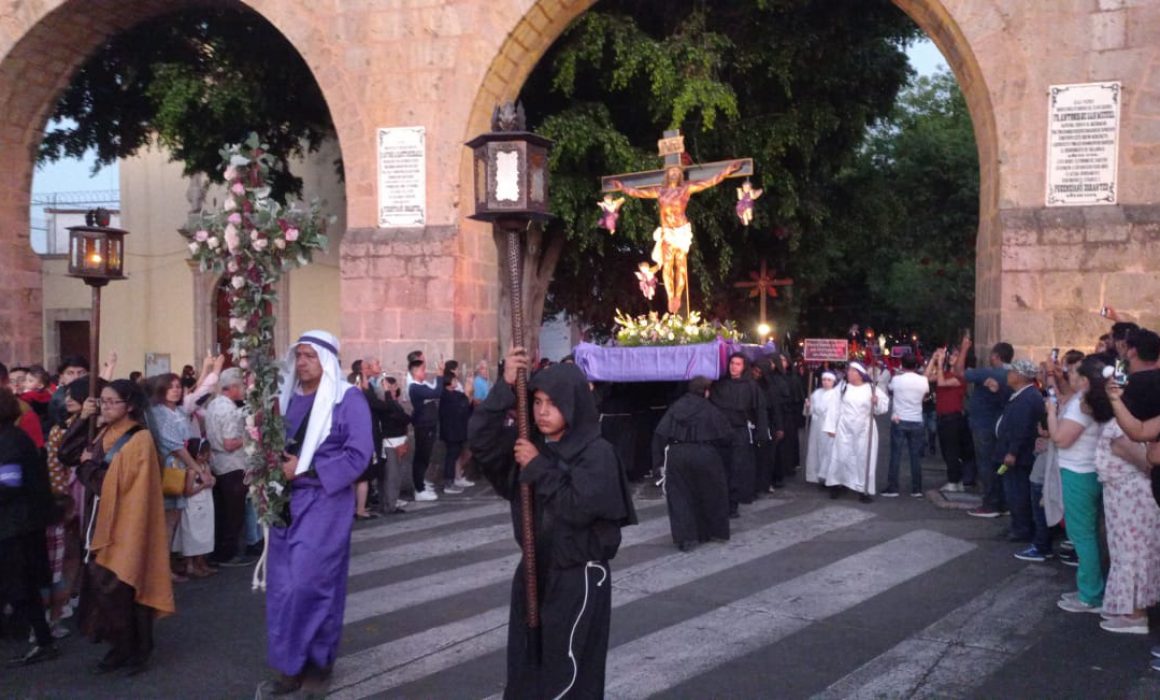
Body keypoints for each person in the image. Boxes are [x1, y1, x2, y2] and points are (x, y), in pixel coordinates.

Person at [468, 346, 636, 699]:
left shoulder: (597, 454)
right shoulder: (530, 447)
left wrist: (538, 469)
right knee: (527, 669)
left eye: (553, 403)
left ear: (573, 404)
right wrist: (505, 386)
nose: (542, 411)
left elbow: (578, 508)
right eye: (538, 402)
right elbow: (482, 442)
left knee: (566, 674)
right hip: (532, 571)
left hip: (577, 574)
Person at [265, 331, 373, 695]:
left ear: (326, 360)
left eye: (310, 356)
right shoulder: (287, 400)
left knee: (311, 582)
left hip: (325, 501)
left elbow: (359, 455)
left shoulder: (348, 400)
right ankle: (289, 664)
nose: (303, 363)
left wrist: (307, 471)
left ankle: (318, 661)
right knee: (283, 585)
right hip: (286, 502)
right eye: (299, 356)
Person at [76, 379, 175, 674]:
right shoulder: (102, 431)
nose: (104, 407)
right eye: (102, 401)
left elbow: (112, 484)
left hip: (128, 524)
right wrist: (82, 420)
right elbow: (68, 454)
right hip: (100, 522)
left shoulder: (140, 440)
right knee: (106, 590)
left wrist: (87, 467)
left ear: (129, 405)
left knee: (129, 583)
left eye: (111, 402)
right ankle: (119, 646)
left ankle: (139, 650)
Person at [610, 160, 742, 314]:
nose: (673, 173)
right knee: (667, 266)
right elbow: (639, 192)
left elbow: (709, 182)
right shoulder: (659, 191)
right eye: (670, 171)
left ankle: (677, 296)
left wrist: (726, 171)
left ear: (680, 174)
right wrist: (622, 187)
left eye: (676, 171)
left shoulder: (686, 188)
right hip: (667, 232)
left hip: (681, 231)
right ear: (667, 174)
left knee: (680, 265)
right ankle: (670, 295)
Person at [0, 387, 61, 667]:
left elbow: (9, 485)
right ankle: (41, 638)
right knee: (21, 584)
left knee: (21, 585)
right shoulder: (11, 437)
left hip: (16, 524)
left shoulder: (9, 441)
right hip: (19, 522)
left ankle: (42, 639)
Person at [1096, 375, 1160, 635]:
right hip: (1125, 498)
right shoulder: (1128, 423)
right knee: (1127, 552)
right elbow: (1141, 434)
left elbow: (1148, 459)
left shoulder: (1120, 429)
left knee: (1132, 553)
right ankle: (1129, 608)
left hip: (1132, 499)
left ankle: (1135, 612)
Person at [1047, 357, 1106, 614]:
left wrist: (1050, 413)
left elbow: (1061, 439)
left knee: (1082, 535)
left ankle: (1090, 594)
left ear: (1084, 380)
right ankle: (1091, 589)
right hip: (1088, 471)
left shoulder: (1083, 406)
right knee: (1088, 533)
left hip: (1077, 472)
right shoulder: (1091, 402)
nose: (1068, 374)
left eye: (1073, 372)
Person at [653, 376, 733, 550]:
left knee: (680, 496)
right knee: (708, 493)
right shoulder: (711, 409)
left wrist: (657, 463)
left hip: (678, 454)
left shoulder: (676, 408)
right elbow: (726, 436)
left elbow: (660, 434)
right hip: (706, 454)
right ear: (706, 391)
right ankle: (709, 531)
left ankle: (686, 538)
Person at [146, 373, 209, 582]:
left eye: (178, 386)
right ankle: (161, 570)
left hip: (181, 467)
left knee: (173, 520)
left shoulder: (179, 411)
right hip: (168, 467)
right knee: (165, 521)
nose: (175, 390)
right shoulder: (158, 413)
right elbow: (174, 445)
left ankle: (166, 566)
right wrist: (197, 469)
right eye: (170, 386)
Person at [959, 339, 1014, 518]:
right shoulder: (1013, 375)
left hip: (983, 426)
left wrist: (964, 349)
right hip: (1001, 426)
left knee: (986, 465)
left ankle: (990, 503)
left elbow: (959, 372)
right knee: (1000, 465)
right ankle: (1004, 501)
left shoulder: (989, 373)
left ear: (995, 356)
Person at [819, 362, 889, 501]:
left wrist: (876, 402)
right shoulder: (843, 387)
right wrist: (831, 427)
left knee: (863, 458)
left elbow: (883, 407)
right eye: (848, 371)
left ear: (859, 374)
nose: (848, 373)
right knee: (841, 456)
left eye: (852, 371)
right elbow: (834, 407)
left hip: (865, 428)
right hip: (844, 428)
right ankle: (837, 484)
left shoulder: (871, 388)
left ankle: (863, 489)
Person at [710, 353, 767, 515]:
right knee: (721, 468)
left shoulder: (751, 386)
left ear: (744, 367)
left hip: (739, 432)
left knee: (737, 468)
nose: (733, 367)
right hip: (720, 433)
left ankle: (733, 503)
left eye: (738, 364)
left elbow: (760, 410)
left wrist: (760, 433)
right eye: (732, 363)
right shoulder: (720, 385)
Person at [205, 368, 252, 566]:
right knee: (234, 513)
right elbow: (230, 443)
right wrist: (250, 436)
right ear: (232, 387)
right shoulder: (230, 410)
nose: (242, 390)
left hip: (217, 464)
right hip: (232, 465)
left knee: (223, 512)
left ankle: (220, 552)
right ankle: (230, 554)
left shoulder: (213, 404)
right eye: (240, 386)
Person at [927, 346, 975, 493]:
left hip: (953, 418)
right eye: (952, 355)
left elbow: (941, 383)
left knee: (952, 450)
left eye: (956, 355)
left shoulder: (960, 377)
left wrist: (940, 364)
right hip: (943, 417)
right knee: (946, 449)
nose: (952, 357)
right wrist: (934, 359)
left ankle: (954, 480)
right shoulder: (946, 373)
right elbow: (927, 377)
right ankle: (957, 480)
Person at [883, 353, 930, 497]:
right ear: (916, 365)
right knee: (915, 456)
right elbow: (925, 396)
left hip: (899, 419)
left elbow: (889, 389)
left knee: (895, 454)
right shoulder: (923, 380)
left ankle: (893, 487)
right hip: (916, 419)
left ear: (902, 365)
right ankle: (916, 489)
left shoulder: (897, 380)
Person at [172, 439, 216, 578]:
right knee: (192, 533)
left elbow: (210, 478)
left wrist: (211, 480)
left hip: (206, 503)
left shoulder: (205, 466)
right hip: (194, 503)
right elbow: (188, 491)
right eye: (206, 453)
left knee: (204, 531)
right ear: (199, 455)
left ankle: (200, 561)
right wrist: (203, 485)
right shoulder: (191, 472)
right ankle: (190, 564)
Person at [407, 357, 443, 502]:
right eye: (422, 370)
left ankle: (421, 483)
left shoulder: (423, 385)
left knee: (426, 456)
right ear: (415, 372)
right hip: (423, 426)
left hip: (429, 425)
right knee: (421, 457)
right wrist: (440, 374)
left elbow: (434, 390)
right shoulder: (415, 387)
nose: (425, 372)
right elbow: (437, 392)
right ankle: (419, 489)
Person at [439, 361, 472, 495]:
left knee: (455, 454)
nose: (455, 381)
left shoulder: (453, 394)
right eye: (453, 380)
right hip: (451, 431)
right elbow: (463, 406)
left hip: (456, 430)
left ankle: (454, 479)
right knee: (451, 456)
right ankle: (448, 483)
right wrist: (468, 392)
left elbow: (464, 401)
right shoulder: (447, 396)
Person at [804, 371, 840, 485]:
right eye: (824, 380)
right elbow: (809, 411)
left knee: (827, 450)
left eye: (829, 380)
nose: (826, 382)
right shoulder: (816, 393)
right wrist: (808, 406)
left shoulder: (836, 394)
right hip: (816, 425)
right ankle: (814, 474)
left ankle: (826, 476)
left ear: (833, 382)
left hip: (828, 425)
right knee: (815, 449)